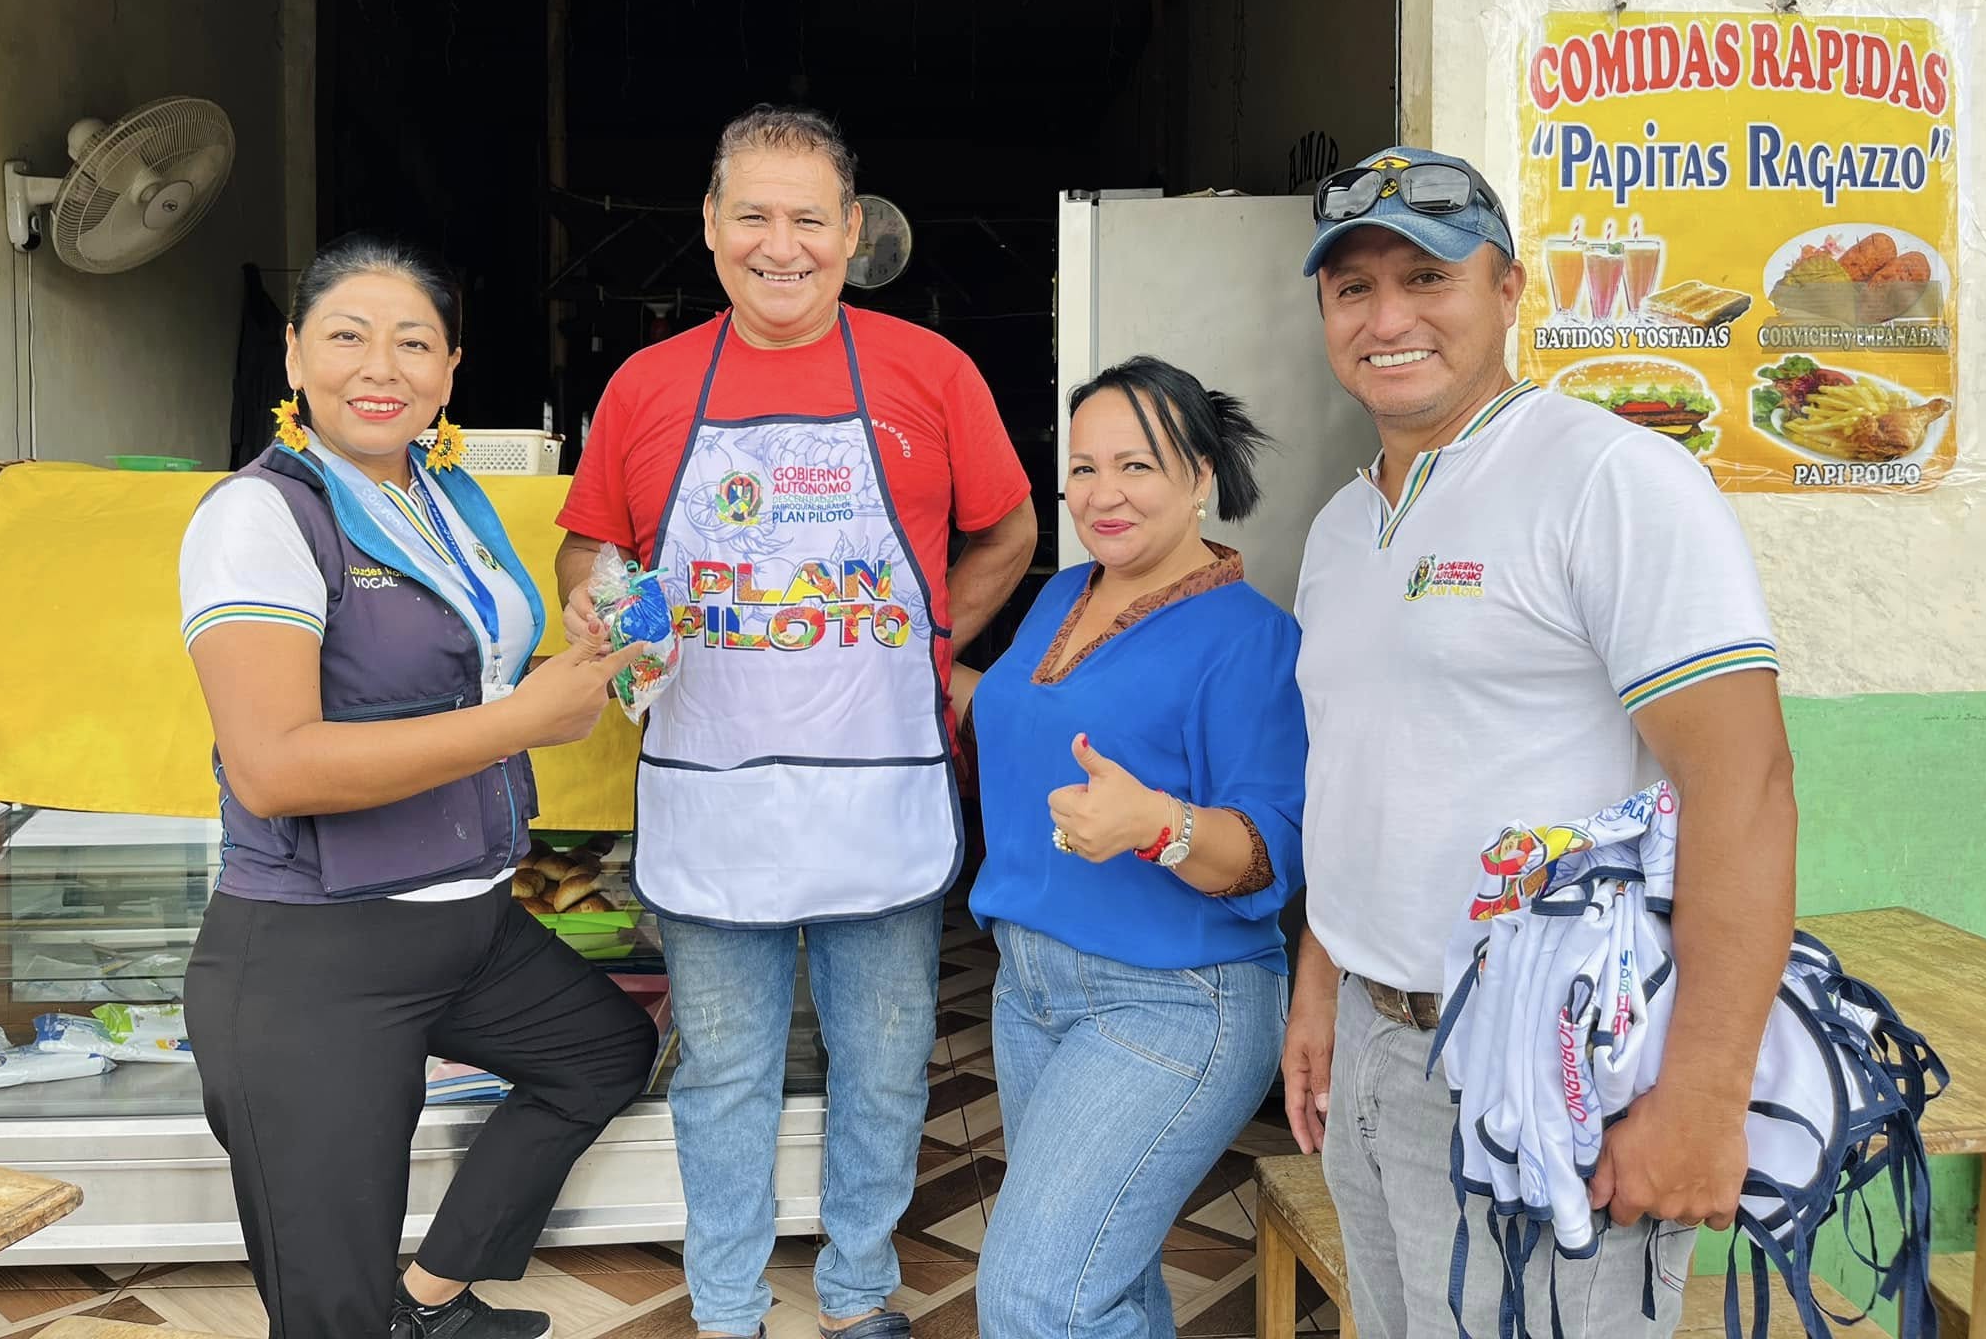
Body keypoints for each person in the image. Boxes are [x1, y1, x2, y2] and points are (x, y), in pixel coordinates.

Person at [1280, 146, 1798, 1339]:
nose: (1387, 318)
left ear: (1507, 291)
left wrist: (1703, 1096)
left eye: (1426, 277)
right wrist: (1322, 981)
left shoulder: (1609, 478)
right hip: (1372, 1046)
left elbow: (1745, 788)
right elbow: (1359, 773)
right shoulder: (1339, 526)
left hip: (1544, 1066)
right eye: (1353, 289)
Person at [555, 105, 1037, 1339]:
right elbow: (590, 545)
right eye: (754, 216)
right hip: (712, 794)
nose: (782, 245)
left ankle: (859, 1290)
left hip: (878, 792)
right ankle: (726, 1307)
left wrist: (933, 644)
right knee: (725, 1073)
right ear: (711, 226)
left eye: (809, 219)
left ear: (852, 230)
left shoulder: (930, 372)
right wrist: (600, 605)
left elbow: (1009, 528)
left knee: (883, 1064)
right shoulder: (647, 385)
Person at [179, 233, 659, 1339]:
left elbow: (455, 685)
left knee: (601, 1054)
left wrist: (575, 666)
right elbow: (273, 766)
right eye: (347, 337)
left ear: (449, 370)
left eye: (412, 343)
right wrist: (519, 721)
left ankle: (430, 1300)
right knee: (330, 1309)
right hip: (317, 953)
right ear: (293, 355)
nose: (379, 368)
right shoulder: (260, 516)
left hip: (469, 926)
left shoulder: (442, 498)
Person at [962, 357, 1306, 1339]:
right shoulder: (1064, 593)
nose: (1101, 494)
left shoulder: (1250, 638)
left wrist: (1157, 826)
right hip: (1031, 989)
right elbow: (1022, 715)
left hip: (1171, 1001)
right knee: (1103, 1287)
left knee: (1036, 1299)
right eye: (1082, 468)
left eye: (1136, 466)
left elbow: (1268, 856)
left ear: (1200, 476)